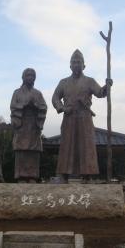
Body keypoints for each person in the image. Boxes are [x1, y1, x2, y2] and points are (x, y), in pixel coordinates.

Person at [52, 49, 113, 183]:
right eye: (74, 62)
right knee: (66, 145)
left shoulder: (89, 81)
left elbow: (100, 93)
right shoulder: (63, 82)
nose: (76, 64)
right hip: (69, 117)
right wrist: (61, 107)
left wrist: (106, 87)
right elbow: (55, 97)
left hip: (85, 117)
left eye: (79, 62)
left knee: (87, 145)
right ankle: (64, 174)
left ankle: (87, 175)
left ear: (84, 65)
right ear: (70, 65)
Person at [10, 68, 47, 183]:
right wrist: (24, 105)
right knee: (21, 150)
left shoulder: (38, 93)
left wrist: (35, 106)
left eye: (32, 75)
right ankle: (21, 176)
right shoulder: (17, 92)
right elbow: (13, 106)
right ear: (23, 77)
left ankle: (32, 176)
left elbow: (44, 107)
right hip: (22, 124)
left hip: (34, 125)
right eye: (28, 75)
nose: (30, 77)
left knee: (33, 151)